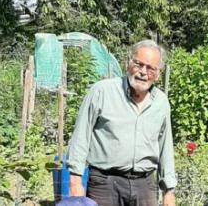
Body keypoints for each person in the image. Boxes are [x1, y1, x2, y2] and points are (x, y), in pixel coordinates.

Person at [66, 40, 177, 206]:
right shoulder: (102, 91)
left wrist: (169, 190)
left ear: (158, 73)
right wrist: (75, 183)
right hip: (105, 183)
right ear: (128, 63)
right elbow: (81, 136)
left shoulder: (161, 103)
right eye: (138, 64)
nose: (143, 72)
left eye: (150, 68)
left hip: (145, 185)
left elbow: (165, 147)